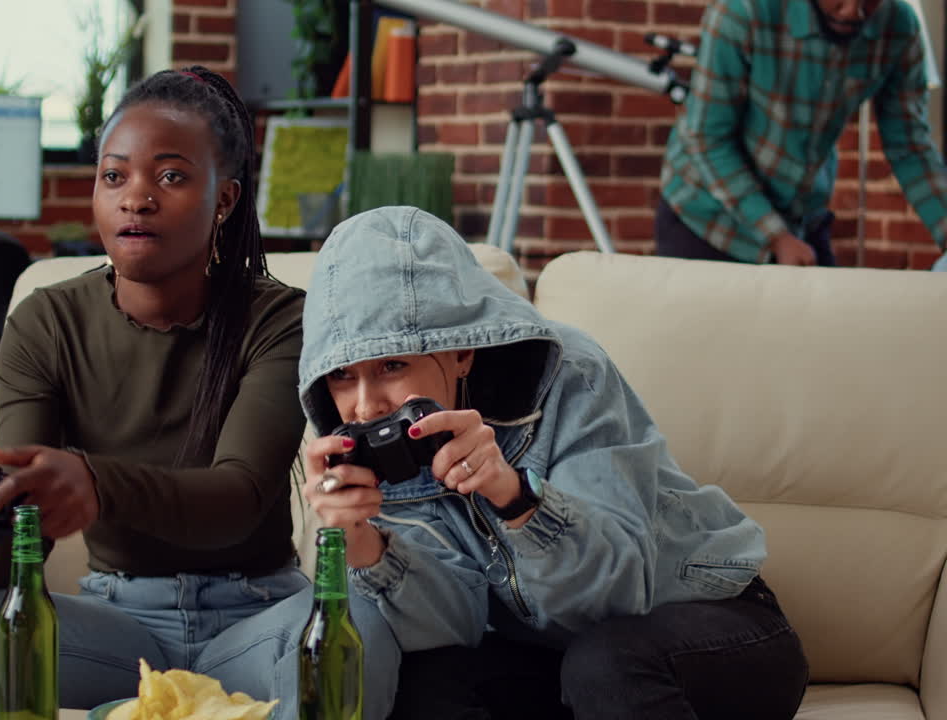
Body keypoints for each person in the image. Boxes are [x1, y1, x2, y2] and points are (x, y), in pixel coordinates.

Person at [0, 66, 399, 718]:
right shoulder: (46, 322)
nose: (136, 198)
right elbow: (28, 525)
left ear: (225, 200)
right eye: (114, 176)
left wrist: (95, 482)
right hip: (113, 628)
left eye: (170, 176)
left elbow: (239, 495)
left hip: (257, 619)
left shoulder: (282, 319)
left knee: (363, 620)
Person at [298, 206, 810, 719]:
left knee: (605, 667)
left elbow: (617, 592)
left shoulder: (571, 375)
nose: (366, 406)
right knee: (426, 686)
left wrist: (515, 496)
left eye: (392, 365)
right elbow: (456, 624)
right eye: (343, 375)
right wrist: (366, 545)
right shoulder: (365, 449)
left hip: (712, 629)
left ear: (461, 353)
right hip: (555, 656)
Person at [657, 0, 947, 266]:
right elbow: (707, 138)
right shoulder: (742, 11)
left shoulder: (900, 26)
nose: (852, 11)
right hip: (708, 218)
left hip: (801, 218)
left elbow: (910, 146)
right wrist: (776, 237)